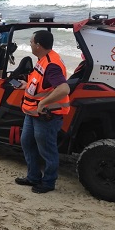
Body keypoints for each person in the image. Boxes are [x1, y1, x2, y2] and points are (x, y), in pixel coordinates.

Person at [14, 30, 70, 194]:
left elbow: (64, 88)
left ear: (38, 45)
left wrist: (44, 103)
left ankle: (48, 182)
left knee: (47, 149)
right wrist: (27, 85)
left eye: (31, 42)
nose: (30, 44)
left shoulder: (51, 64)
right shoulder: (44, 59)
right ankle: (33, 176)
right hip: (32, 113)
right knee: (27, 142)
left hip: (46, 116)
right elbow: (41, 82)